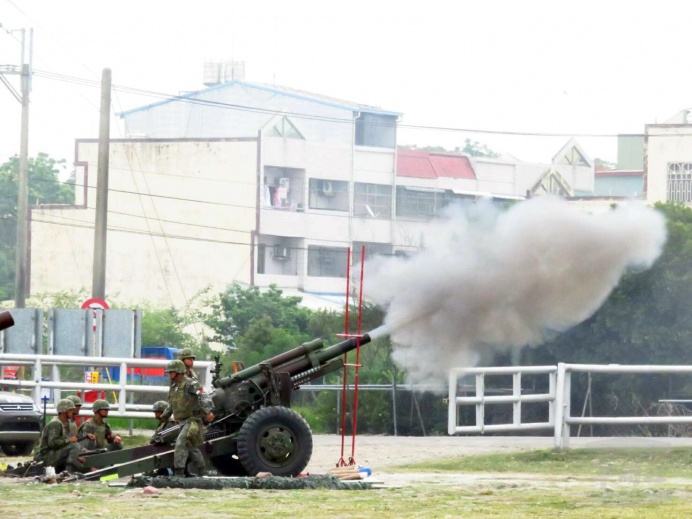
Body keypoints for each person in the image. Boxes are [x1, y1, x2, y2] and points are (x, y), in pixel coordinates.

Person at [165, 359, 214, 477]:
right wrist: (165, 415)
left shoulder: (190, 384)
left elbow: (203, 395)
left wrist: (208, 411)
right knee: (192, 448)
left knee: (180, 444)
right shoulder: (174, 386)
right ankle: (202, 472)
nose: (169, 374)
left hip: (192, 421)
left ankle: (179, 474)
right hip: (182, 421)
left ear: (178, 372)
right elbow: (172, 403)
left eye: (171, 372)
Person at [33, 399, 87, 473]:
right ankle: (69, 471)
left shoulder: (63, 423)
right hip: (45, 456)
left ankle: (71, 469)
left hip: (51, 455)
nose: (72, 412)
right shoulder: (56, 423)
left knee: (74, 446)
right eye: (70, 410)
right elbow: (52, 443)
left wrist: (77, 455)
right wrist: (69, 440)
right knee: (73, 445)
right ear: (64, 411)